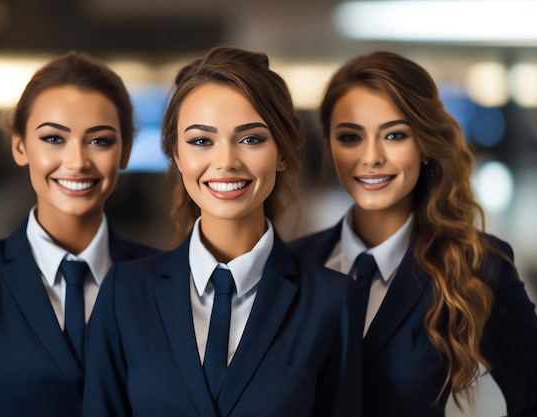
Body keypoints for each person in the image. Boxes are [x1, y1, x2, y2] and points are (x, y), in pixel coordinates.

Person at [82, 46, 361, 417]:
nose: (226, 161)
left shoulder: (332, 300)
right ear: (176, 155)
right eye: (201, 141)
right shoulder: (123, 292)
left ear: (282, 152)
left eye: (251, 139)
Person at [290, 50, 537, 417]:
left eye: (393, 135)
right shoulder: (289, 266)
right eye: (350, 137)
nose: (371, 157)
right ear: (329, 145)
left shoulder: (474, 265)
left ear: (424, 144)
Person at [0, 51, 156, 417]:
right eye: (53, 139)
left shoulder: (166, 279)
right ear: (20, 146)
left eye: (100, 141)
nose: (76, 161)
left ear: (124, 152)